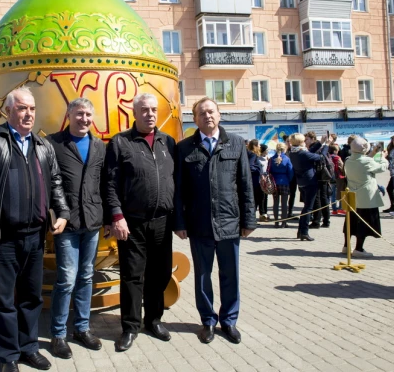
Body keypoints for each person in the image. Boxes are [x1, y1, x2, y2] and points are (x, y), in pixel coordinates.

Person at [0, 86, 69, 372]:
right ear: (8, 111)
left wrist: (63, 212)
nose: (28, 113)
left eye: (32, 109)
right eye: (22, 108)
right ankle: (8, 356)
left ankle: (29, 348)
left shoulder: (43, 146)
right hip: (1, 237)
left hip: (35, 236)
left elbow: (55, 182)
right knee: (4, 300)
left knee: (32, 297)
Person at [174, 97, 256, 345]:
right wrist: (179, 222)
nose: (207, 116)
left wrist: (249, 218)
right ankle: (208, 320)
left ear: (219, 115)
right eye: (202, 113)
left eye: (211, 112)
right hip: (199, 225)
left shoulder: (236, 143)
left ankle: (229, 321)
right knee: (202, 276)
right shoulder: (185, 147)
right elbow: (179, 189)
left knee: (230, 274)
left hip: (230, 223)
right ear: (195, 118)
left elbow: (245, 184)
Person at [104, 92, 175, 352]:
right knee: (132, 277)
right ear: (134, 113)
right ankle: (130, 327)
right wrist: (117, 215)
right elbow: (110, 184)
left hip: (162, 223)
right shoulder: (121, 143)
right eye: (144, 110)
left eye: (154, 109)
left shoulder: (168, 142)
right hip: (131, 224)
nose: (150, 114)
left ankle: (153, 320)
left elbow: (174, 181)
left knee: (160, 274)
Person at [46, 98, 105, 359]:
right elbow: (45, 182)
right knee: (66, 279)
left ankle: (82, 328)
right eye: (79, 113)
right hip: (66, 223)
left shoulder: (99, 146)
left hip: (92, 222)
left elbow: (104, 183)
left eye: (88, 114)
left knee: (86, 276)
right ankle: (58, 334)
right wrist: (54, 214)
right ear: (69, 115)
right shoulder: (53, 144)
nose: (84, 118)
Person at [343, 137, 388, 257]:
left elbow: (362, 161)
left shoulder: (348, 160)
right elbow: (381, 167)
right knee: (364, 223)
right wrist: (383, 157)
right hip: (366, 197)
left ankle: (346, 246)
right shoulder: (367, 162)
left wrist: (372, 153)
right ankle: (359, 248)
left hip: (352, 196)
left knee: (350, 222)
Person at [289, 133, 328, 241]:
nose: (305, 142)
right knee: (308, 208)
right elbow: (321, 157)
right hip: (310, 182)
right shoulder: (302, 153)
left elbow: (309, 152)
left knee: (306, 207)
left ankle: (300, 231)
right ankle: (304, 232)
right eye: (304, 140)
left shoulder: (293, 151)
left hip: (301, 182)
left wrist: (321, 142)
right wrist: (326, 146)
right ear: (301, 142)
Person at [305, 132, 331, 229]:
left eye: (307, 139)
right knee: (323, 198)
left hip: (318, 175)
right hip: (322, 175)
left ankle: (317, 221)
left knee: (318, 199)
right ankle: (326, 220)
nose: (305, 141)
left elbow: (320, 158)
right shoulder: (320, 148)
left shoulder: (314, 148)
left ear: (312, 139)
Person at [269, 142, 294, 228]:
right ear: (284, 149)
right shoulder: (287, 159)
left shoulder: (271, 159)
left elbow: (269, 171)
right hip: (284, 182)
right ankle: (284, 222)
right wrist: (289, 180)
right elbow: (290, 171)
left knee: (275, 203)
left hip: (274, 183)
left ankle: (276, 222)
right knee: (284, 203)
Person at [247, 140, 264, 222]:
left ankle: (252, 218)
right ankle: (252, 219)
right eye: (259, 145)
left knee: (254, 200)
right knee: (256, 200)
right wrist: (258, 170)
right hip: (255, 181)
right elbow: (250, 166)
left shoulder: (249, 153)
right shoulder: (253, 154)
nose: (260, 147)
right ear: (255, 146)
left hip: (253, 180)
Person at [329, 144, 346, 215]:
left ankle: (334, 209)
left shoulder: (328, 157)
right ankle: (340, 208)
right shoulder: (337, 158)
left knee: (332, 194)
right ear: (335, 151)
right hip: (339, 177)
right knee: (341, 192)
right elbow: (342, 167)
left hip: (331, 177)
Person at [283, 135, 297, 218]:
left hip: (294, 176)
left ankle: (290, 211)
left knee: (292, 194)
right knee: (284, 195)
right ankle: (284, 212)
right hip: (285, 177)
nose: (289, 143)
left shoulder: (294, 151)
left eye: (290, 142)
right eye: (288, 141)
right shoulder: (283, 152)